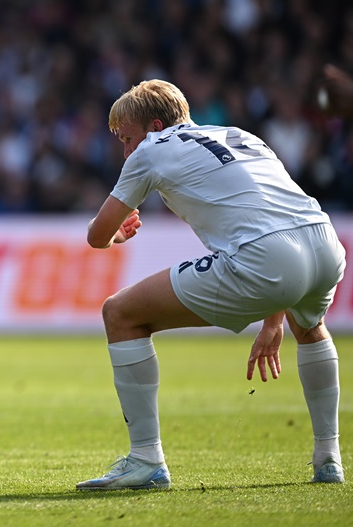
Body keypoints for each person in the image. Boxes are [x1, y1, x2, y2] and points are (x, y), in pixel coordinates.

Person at [76, 79, 346, 490]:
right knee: (309, 328)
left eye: (127, 138)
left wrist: (115, 235)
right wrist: (274, 320)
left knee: (120, 314)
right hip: (324, 243)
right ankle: (329, 458)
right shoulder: (239, 135)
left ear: (152, 126)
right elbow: (277, 219)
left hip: (268, 256)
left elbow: (97, 235)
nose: (126, 150)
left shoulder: (151, 150)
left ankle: (146, 459)